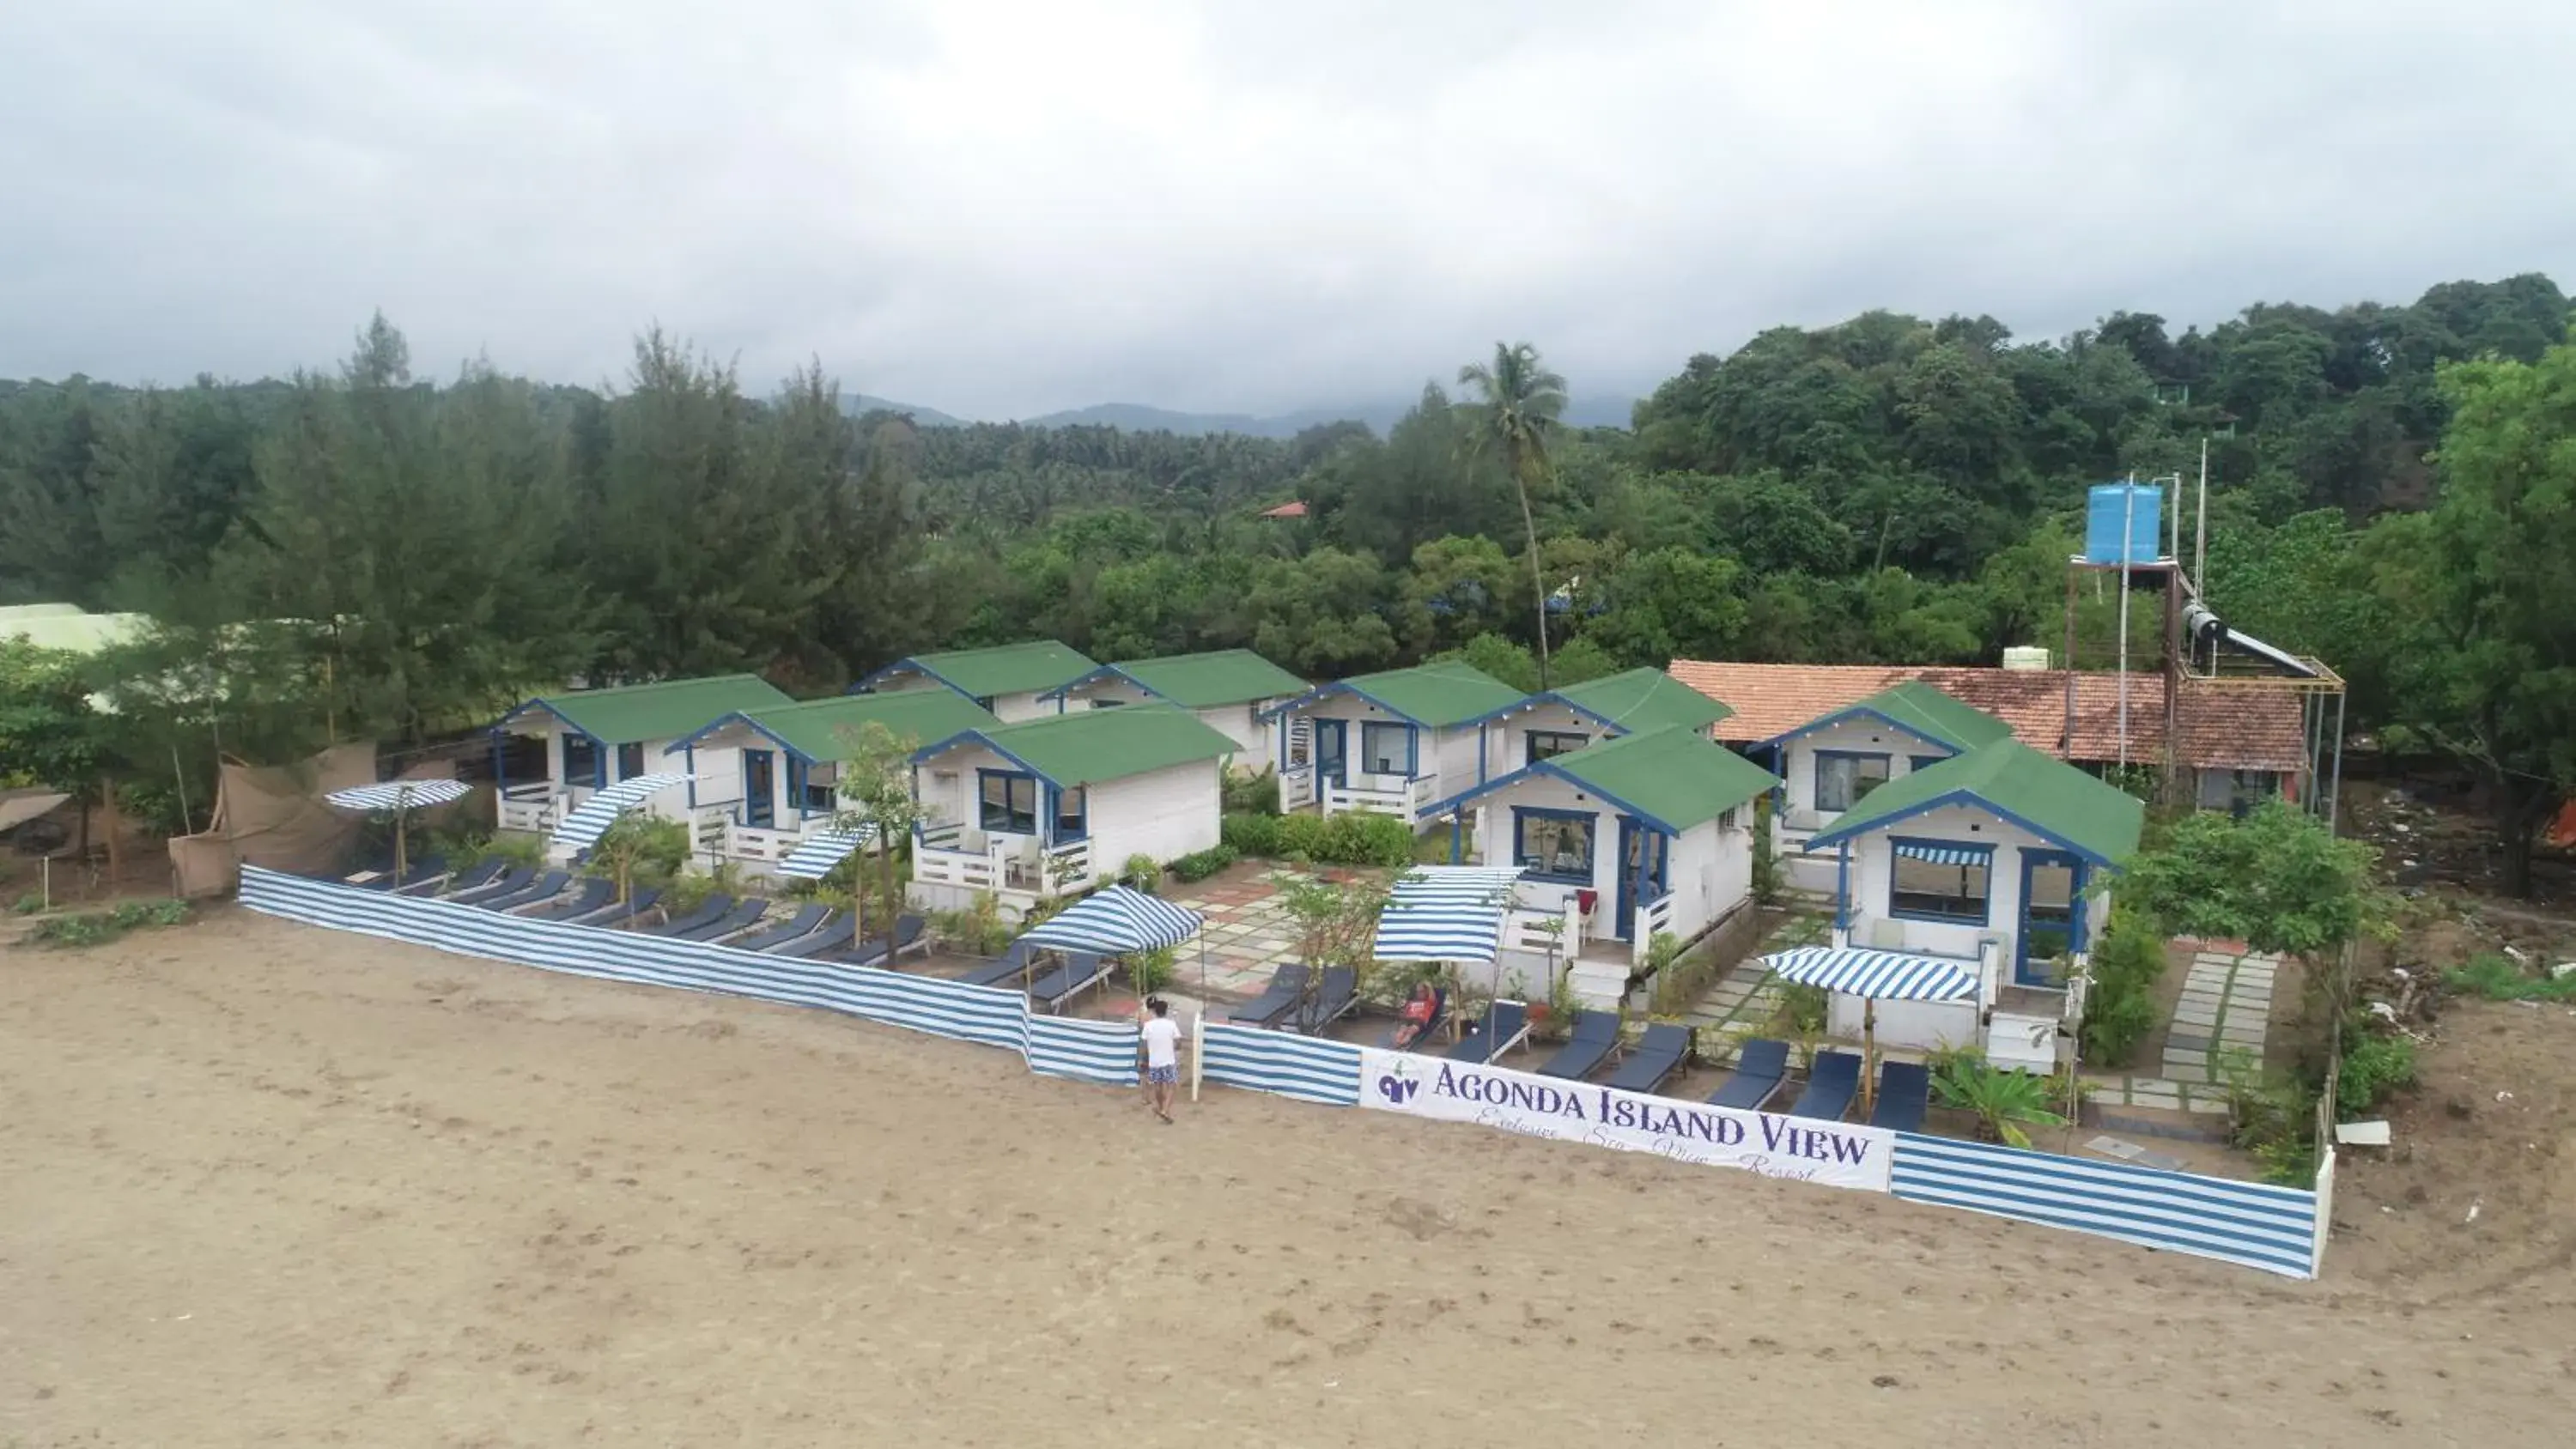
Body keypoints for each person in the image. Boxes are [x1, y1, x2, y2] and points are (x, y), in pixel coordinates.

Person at [1139, 997, 1183, 1124]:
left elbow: (1143, 1044)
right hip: (1168, 1060)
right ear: (1166, 1011)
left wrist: (1142, 1059)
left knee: (1157, 1086)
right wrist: (1175, 1048)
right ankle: (1165, 1109)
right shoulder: (1171, 1024)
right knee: (1171, 1086)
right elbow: (1178, 1042)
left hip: (1154, 1062)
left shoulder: (1148, 1026)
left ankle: (1161, 1107)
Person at [1390, 980, 1437, 1050]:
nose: (1419, 993)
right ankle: (1398, 1043)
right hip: (1409, 1018)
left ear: (1426, 992)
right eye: (1418, 992)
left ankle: (1402, 1044)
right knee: (1402, 1029)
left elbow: (1431, 994)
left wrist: (1429, 986)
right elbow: (1405, 1012)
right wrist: (1402, 1014)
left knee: (1411, 1030)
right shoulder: (1412, 1001)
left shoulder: (1429, 1002)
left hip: (1420, 1019)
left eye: (1422, 991)